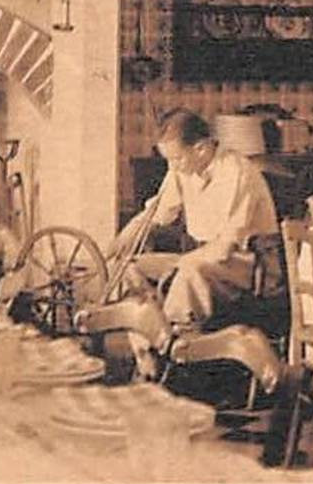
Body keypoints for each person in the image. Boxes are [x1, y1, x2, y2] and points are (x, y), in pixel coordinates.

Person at [114, 109, 278, 329]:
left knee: (189, 270)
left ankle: (173, 339)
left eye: (176, 159)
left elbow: (225, 247)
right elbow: (158, 212)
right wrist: (126, 236)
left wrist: (181, 264)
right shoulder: (183, 168)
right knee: (131, 267)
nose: (172, 167)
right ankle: (149, 328)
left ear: (201, 149)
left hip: (246, 263)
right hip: (201, 257)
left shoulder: (237, 172)